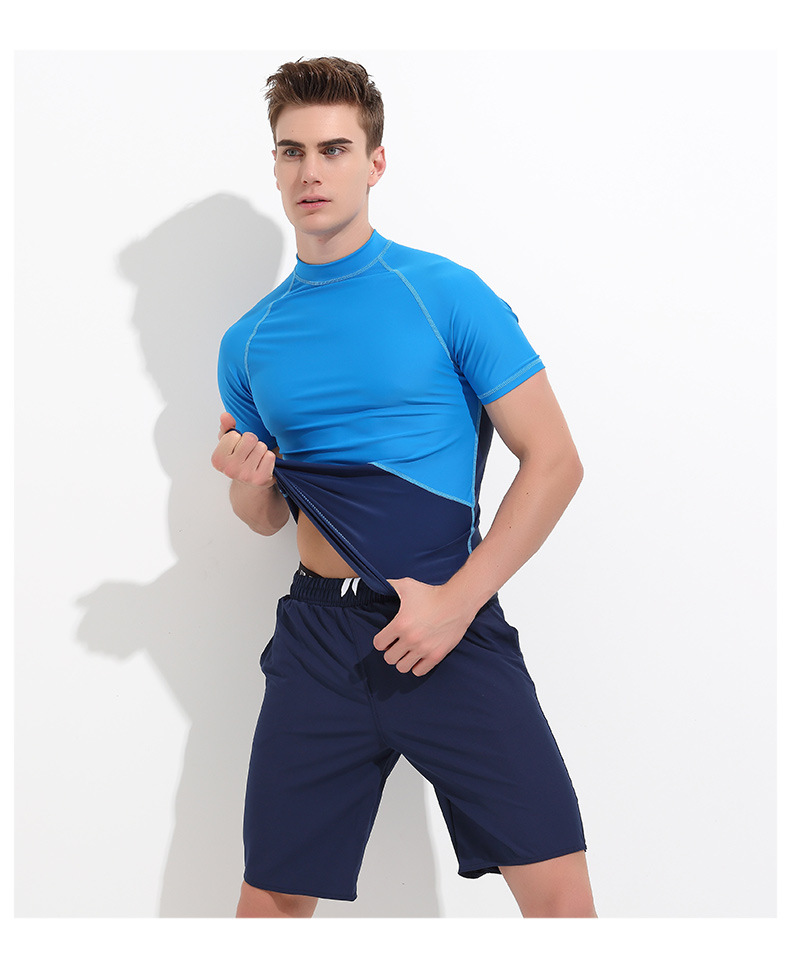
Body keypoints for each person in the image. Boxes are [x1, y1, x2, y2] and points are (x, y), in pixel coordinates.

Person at [211, 56, 597, 919]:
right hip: (318, 641)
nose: (311, 172)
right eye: (292, 152)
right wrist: (248, 484)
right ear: (274, 165)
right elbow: (264, 515)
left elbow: (555, 460)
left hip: (448, 625)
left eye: (334, 149)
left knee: (560, 900)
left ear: (375, 162)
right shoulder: (249, 340)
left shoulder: (445, 294)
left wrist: (456, 605)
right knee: (268, 907)